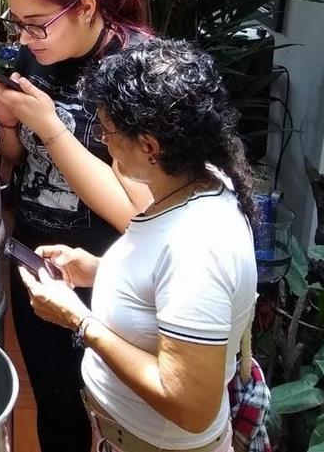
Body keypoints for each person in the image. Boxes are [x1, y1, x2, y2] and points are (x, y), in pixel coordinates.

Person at [18, 38, 257, 452]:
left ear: (149, 146)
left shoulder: (198, 247)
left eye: (108, 132)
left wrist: (79, 320)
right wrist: (96, 268)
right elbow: (159, 284)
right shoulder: (194, 181)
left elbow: (190, 406)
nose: (105, 142)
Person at [0, 0, 154, 452]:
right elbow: (24, 159)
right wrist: (7, 123)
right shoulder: (39, 56)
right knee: (55, 406)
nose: (25, 38)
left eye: (37, 23)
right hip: (35, 254)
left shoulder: (134, 70)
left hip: (104, 269)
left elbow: (137, 212)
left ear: (88, 8)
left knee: (108, 412)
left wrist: (50, 125)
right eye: (18, 22)